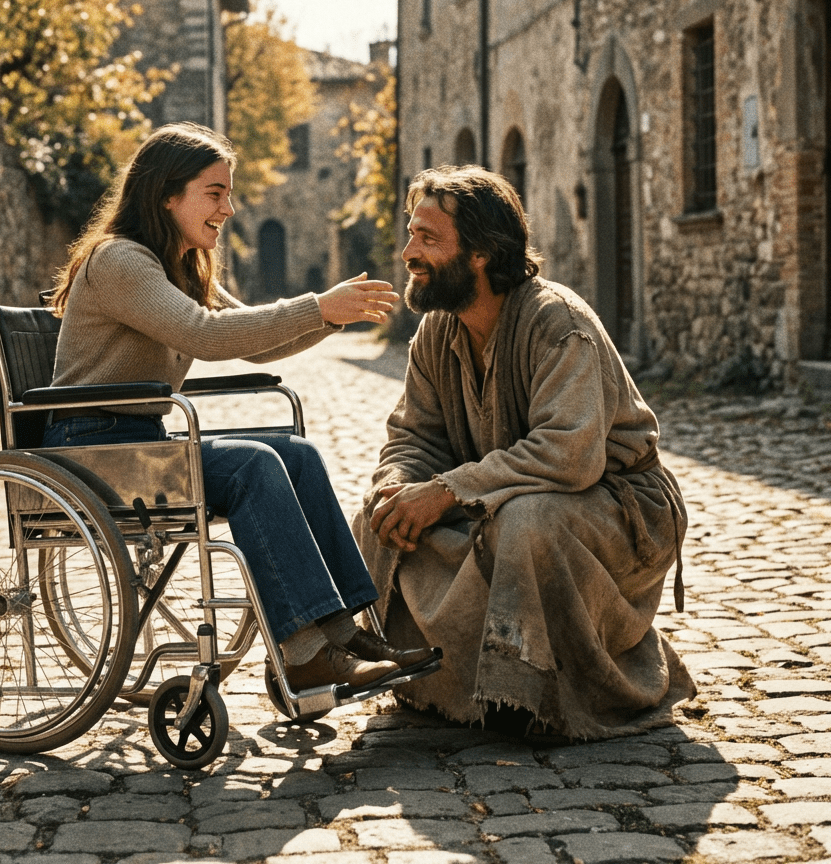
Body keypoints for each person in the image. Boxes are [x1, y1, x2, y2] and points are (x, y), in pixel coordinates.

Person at [43, 121, 438, 695]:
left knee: (296, 454)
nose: (228, 209)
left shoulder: (176, 263)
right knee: (255, 465)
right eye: (215, 193)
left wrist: (331, 317)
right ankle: (303, 654)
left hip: (138, 443)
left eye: (228, 194)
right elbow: (205, 335)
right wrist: (318, 306)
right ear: (166, 195)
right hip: (91, 448)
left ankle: (344, 633)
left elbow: (255, 339)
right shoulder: (121, 262)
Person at [351, 165, 696, 739]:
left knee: (528, 521)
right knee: (380, 516)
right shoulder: (437, 331)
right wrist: (398, 486)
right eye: (411, 235)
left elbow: (568, 455)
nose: (408, 253)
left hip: (621, 508)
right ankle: (441, 681)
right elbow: (414, 438)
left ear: (481, 253)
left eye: (427, 238)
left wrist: (444, 492)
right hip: (502, 502)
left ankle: (537, 694)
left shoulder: (558, 322)